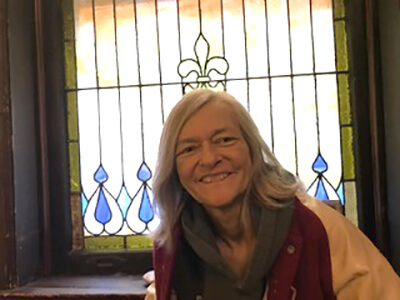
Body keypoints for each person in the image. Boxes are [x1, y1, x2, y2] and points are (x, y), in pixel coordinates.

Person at [144, 89, 400, 300]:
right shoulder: (172, 244)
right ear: (173, 167)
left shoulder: (317, 227)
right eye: (189, 149)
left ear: (252, 150)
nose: (209, 159)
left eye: (224, 140)